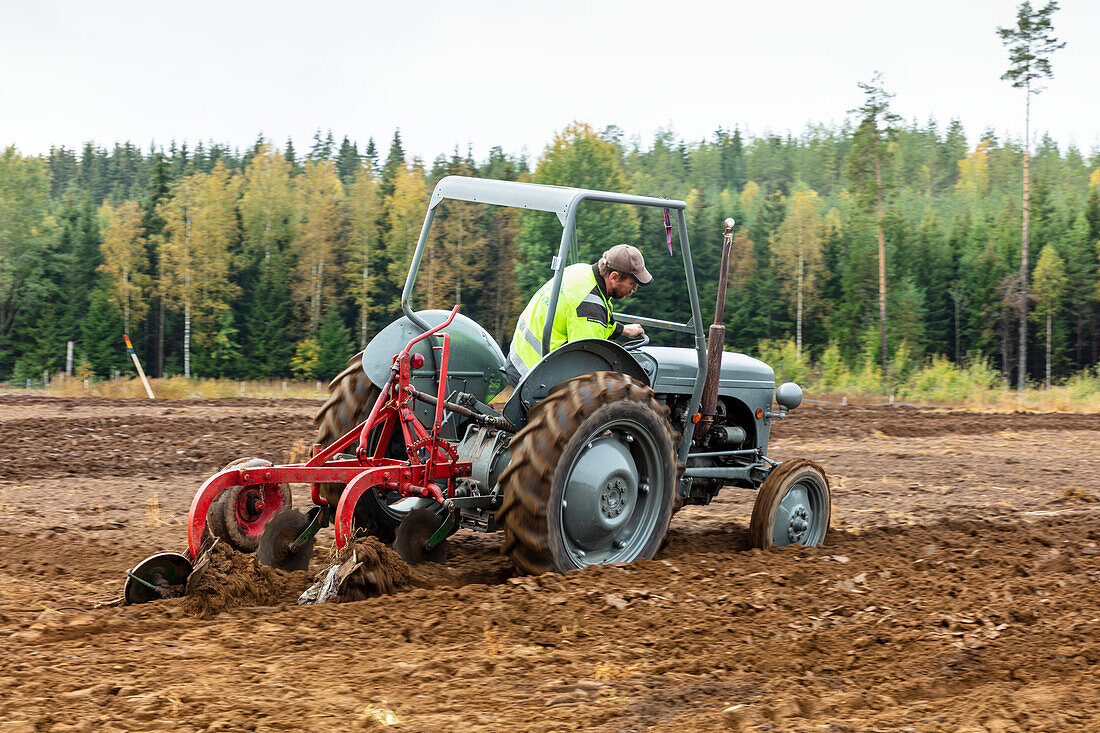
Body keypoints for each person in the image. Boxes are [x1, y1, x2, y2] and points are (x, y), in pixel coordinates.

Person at [505, 244, 650, 385]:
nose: (635, 288)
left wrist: (622, 330)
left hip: (517, 358)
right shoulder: (589, 308)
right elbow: (586, 367)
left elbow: (587, 323)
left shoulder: (581, 271)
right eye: (632, 283)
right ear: (613, 277)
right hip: (533, 379)